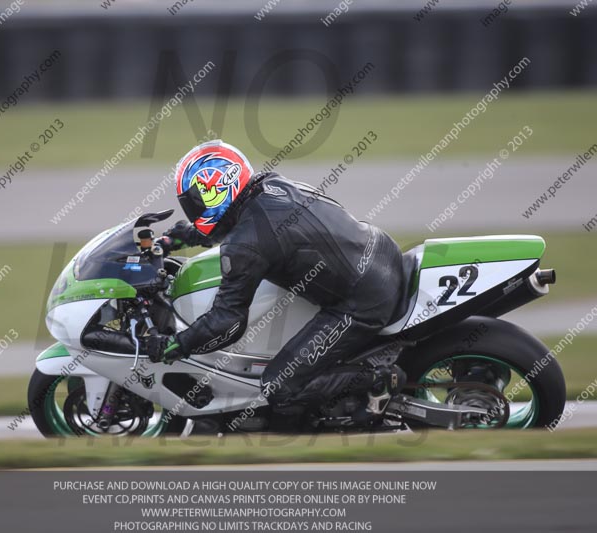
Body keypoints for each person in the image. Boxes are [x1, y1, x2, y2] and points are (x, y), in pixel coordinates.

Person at [145, 140, 406, 429]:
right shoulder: (269, 185)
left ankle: (378, 380)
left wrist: (177, 345)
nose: (193, 209)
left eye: (195, 201)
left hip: (365, 298)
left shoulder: (245, 244)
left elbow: (228, 323)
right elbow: (244, 227)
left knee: (280, 385)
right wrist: (182, 237)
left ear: (215, 191)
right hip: (380, 250)